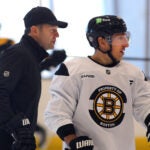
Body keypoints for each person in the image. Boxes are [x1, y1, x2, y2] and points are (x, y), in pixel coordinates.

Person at [44, 15, 150, 150]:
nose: (126, 43)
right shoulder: (72, 70)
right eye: (120, 38)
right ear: (102, 42)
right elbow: (56, 113)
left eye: (126, 36)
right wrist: (73, 140)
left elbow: (144, 105)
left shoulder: (133, 74)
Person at [0, 6, 67, 150]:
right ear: (35, 30)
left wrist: (50, 62)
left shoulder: (30, 57)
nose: (57, 35)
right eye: (52, 30)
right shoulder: (18, 54)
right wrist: (16, 127)